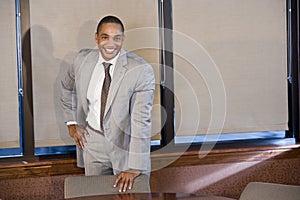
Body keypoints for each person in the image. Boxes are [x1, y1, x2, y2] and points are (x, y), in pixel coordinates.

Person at [60, 15, 155, 192]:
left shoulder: (141, 70)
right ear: (96, 38)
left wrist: (134, 166)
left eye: (117, 38)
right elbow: (66, 88)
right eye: (105, 37)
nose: (111, 44)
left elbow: (142, 122)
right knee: (97, 195)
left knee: (130, 197)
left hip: (126, 146)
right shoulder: (81, 60)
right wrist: (72, 123)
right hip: (92, 143)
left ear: (123, 39)